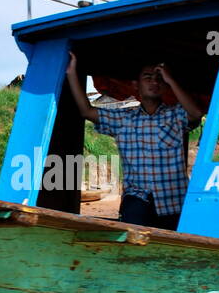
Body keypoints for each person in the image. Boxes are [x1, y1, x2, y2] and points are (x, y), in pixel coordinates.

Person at [65, 55, 204, 229]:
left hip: (174, 203)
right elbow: (86, 111)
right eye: (148, 77)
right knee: (134, 245)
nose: (154, 81)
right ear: (136, 85)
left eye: (159, 79)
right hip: (138, 201)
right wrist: (71, 73)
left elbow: (196, 113)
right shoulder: (123, 119)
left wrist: (171, 79)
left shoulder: (175, 115)